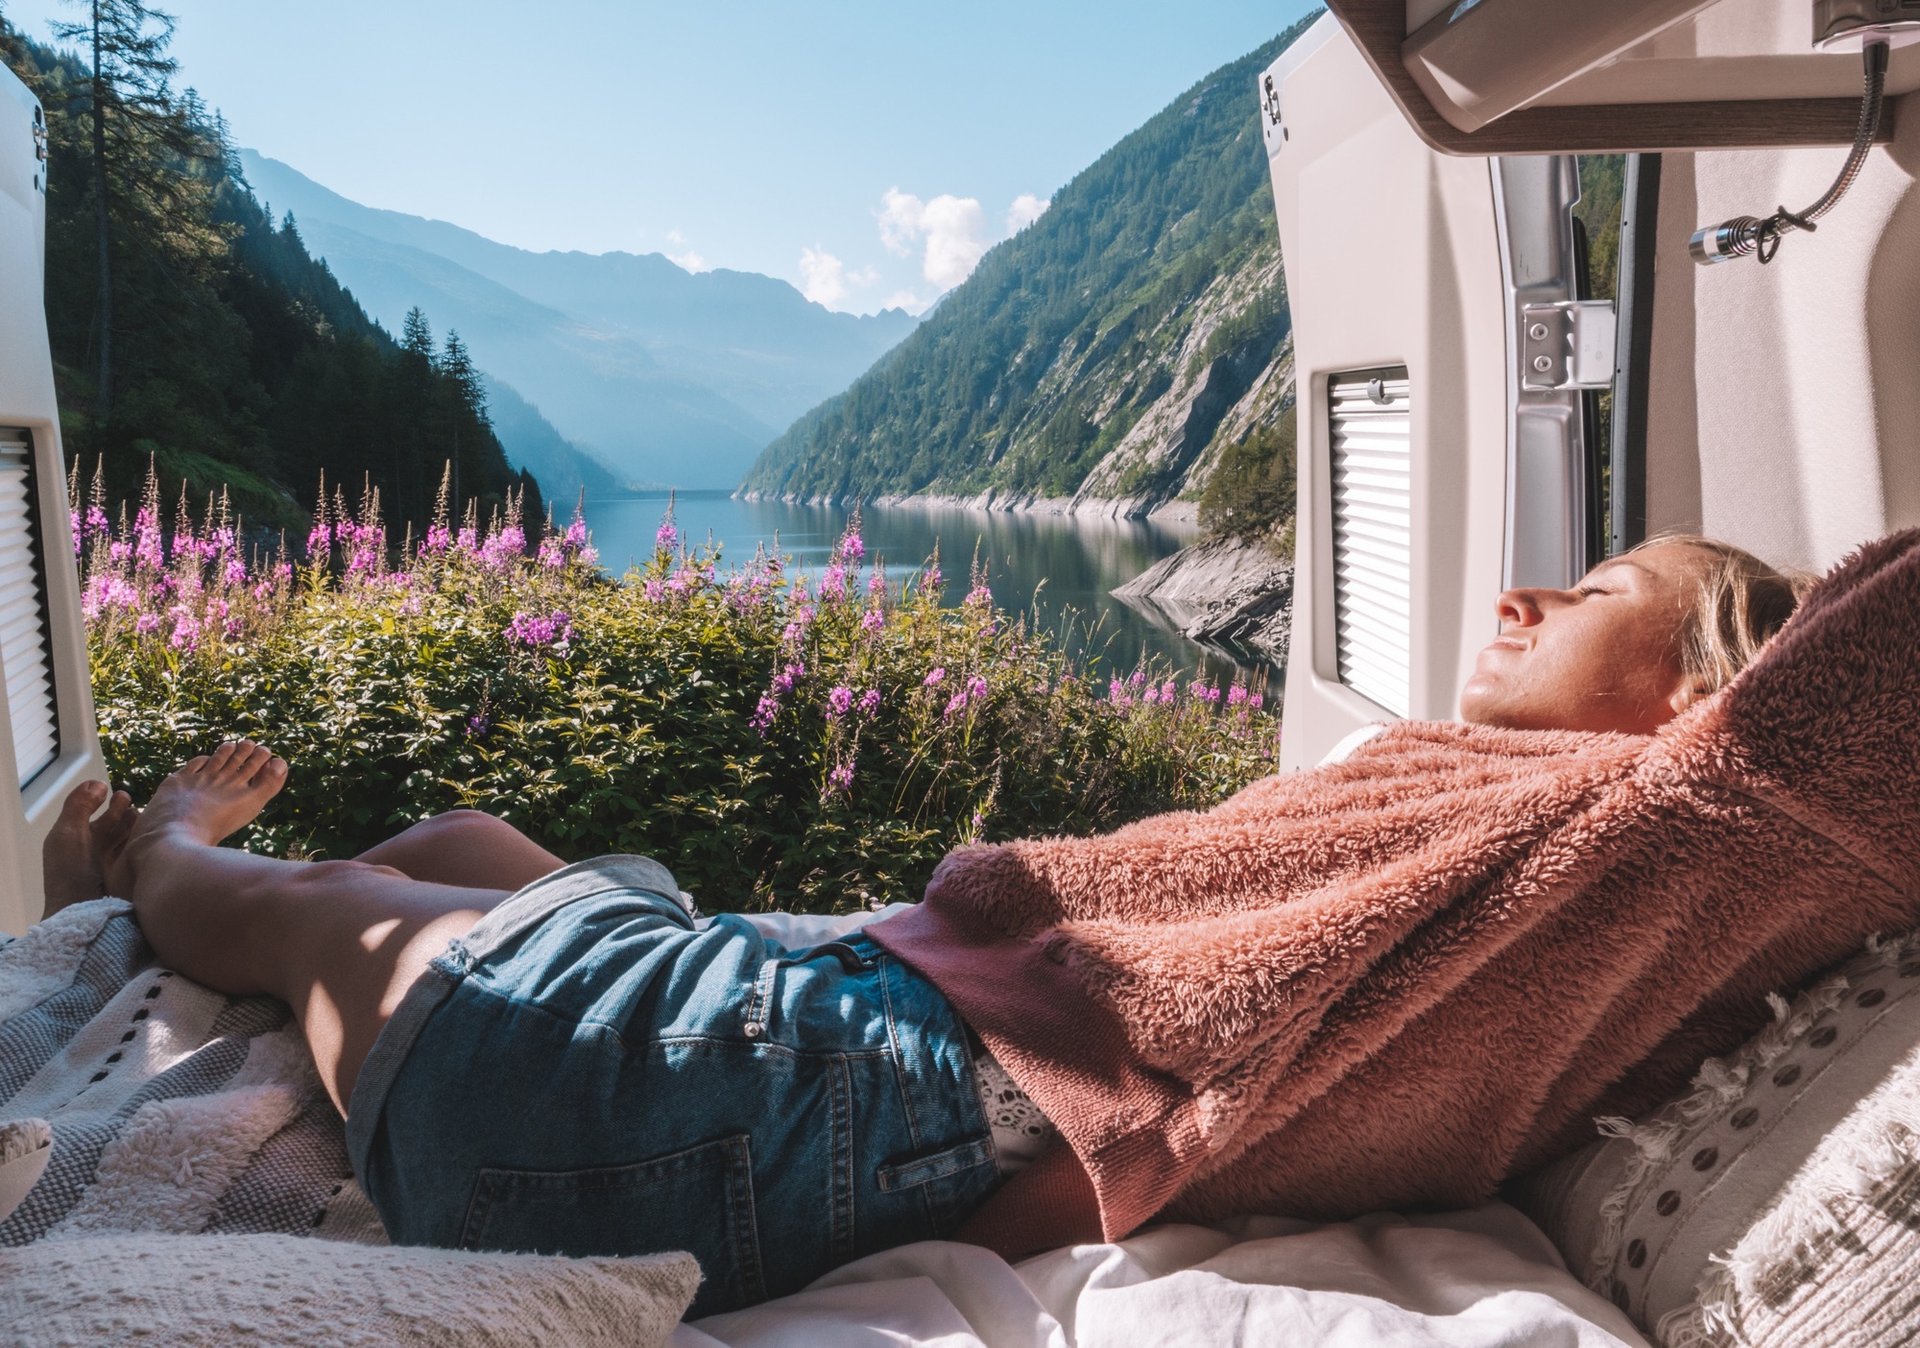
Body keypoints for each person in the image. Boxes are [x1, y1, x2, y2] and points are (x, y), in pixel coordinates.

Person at [40, 535, 1820, 1315]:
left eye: (1593, 592)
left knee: (325, 905)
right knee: (469, 838)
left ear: (1717, 702)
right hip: (816, 1019)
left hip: (793, 1080)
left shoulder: (1652, 831)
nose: (1520, 593)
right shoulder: (1522, 846)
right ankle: (275, 906)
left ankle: (166, 862)